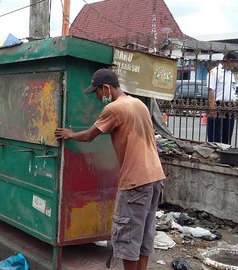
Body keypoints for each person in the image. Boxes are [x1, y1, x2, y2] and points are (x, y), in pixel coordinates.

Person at [54, 69, 165, 270]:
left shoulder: (114, 109)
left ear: (106, 88)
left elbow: (89, 136)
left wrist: (70, 134)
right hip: (156, 177)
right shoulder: (138, 104)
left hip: (135, 181)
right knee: (144, 236)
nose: (97, 97)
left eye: (97, 92)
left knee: (127, 237)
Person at [207, 52, 238, 144]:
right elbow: (211, 90)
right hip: (218, 105)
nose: (236, 65)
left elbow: (233, 91)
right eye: (235, 62)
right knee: (215, 134)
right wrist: (213, 108)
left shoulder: (231, 74)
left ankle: (225, 152)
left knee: (227, 134)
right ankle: (214, 152)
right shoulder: (214, 72)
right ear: (229, 61)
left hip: (229, 106)